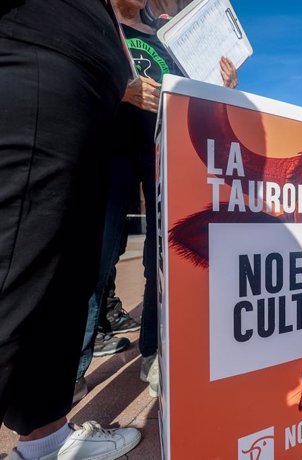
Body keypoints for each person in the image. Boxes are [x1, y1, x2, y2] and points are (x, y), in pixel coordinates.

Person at [76, 0, 240, 399]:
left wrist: (221, 85)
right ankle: (70, 371)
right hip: (109, 151)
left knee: (160, 259)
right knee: (95, 258)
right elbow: (75, 79)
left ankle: (153, 352)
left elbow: (190, 95)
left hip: (162, 155)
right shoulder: (96, 20)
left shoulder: (168, 33)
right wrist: (122, 90)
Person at [0, 1, 143, 459]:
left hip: (87, 92)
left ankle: (45, 442)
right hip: (44, 53)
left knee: (64, 278)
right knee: (21, 261)